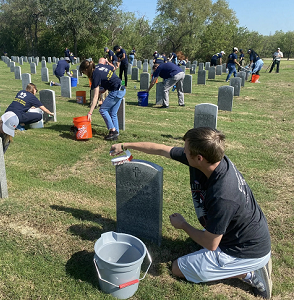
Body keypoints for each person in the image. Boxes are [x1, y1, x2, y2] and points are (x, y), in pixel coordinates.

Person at [109, 127, 272, 299]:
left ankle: (248, 274)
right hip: (242, 234)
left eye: (186, 151)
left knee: (177, 268)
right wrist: (125, 145)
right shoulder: (212, 160)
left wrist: (183, 225)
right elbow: (162, 149)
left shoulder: (223, 195)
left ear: (199, 158)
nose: (183, 152)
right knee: (200, 243)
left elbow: (211, 244)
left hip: (244, 250)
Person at [79, 59, 126, 140]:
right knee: (113, 113)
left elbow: (95, 96)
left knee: (103, 110)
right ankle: (115, 133)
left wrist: (90, 112)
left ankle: (113, 130)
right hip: (122, 88)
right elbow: (112, 69)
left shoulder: (95, 75)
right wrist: (105, 88)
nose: (84, 74)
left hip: (116, 91)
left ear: (86, 70)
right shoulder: (98, 66)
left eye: (83, 72)